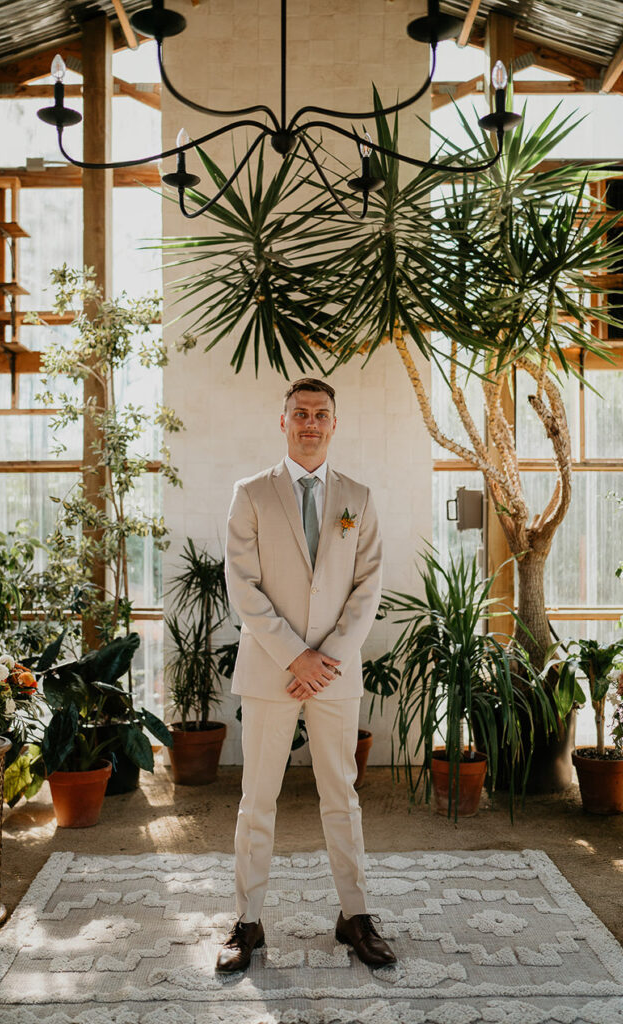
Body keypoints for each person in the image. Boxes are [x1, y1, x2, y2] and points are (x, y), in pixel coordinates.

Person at [217, 377, 396, 973]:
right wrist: (296, 656)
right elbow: (243, 587)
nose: (311, 423)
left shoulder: (359, 498)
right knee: (257, 798)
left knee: (341, 797)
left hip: (336, 676)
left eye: (321, 414)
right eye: (301, 413)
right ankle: (246, 921)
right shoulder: (250, 494)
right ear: (284, 420)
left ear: (335, 423)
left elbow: (367, 589)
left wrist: (325, 660)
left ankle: (355, 915)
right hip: (271, 671)